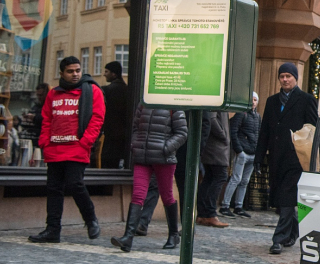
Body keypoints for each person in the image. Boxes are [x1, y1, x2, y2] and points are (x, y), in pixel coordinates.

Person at [29, 57, 104, 243]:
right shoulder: (54, 94)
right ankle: (52, 229)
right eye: (70, 71)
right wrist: (44, 142)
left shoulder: (92, 90)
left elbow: (97, 118)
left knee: (75, 184)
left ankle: (91, 219)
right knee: (54, 189)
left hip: (77, 148)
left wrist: (85, 142)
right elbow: (46, 119)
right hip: (54, 149)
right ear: (61, 73)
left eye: (78, 70)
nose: (75, 74)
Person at [255, 63, 319, 254]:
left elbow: (313, 129)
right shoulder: (272, 101)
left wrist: (310, 156)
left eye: (288, 76)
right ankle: (293, 233)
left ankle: (279, 238)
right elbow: (265, 130)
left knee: (286, 197)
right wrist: (259, 157)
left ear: (295, 78)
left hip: (296, 157)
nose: (285, 79)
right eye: (282, 76)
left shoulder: (306, 99)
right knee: (284, 198)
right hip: (276, 157)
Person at [111, 106, 188, 252]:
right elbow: (135, 128)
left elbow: (182, 133)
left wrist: (164, 148)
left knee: (167, 196)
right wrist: (135, 145)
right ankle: (127, 238)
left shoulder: (174, 105)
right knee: (137, 195)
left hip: (163, 159)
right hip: (142, 157)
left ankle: (173, 234)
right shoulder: (143, 103)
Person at [220, 92, 261, 218]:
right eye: (251, 99)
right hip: (243, 152)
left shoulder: (257, 117)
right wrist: (239, 150)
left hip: (252, 153)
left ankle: (239, 206)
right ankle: (225, 206)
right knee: (236, 179)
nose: (253, 102)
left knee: (244, 181)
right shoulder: (241, 114)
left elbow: (258, 133)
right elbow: (233, 131)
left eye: (255, 100)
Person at [196, 111, 231, 228]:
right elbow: (211, 119)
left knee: (209, 178)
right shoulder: (216, 98)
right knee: (220, 177)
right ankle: (210, 214)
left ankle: (202, 214)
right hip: (216, 147)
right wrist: (223, 135)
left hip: (214, 147)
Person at [99, 61, 131, 169]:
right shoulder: (128, 90)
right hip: (124, 136)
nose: (104, 74)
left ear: (114, 74)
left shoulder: (107, 90)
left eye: (106, 71)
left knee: (107, 165)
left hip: (110, 135)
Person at [20, 83, 50, 148]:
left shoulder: (50, 106)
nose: (39, 97)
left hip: (44, 139)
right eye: (38, 95)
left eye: (41, 95)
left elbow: (48, 119)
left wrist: (34, 117)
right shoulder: (36, 106)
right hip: (34, 139)